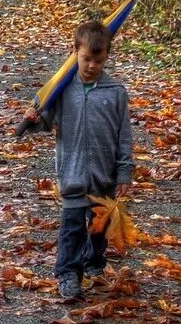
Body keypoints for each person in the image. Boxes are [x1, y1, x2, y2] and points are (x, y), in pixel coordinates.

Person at [21, 19, 136, 301]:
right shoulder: (63, 90)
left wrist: (124, 172)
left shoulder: (115, 92)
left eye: (98, 60)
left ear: (107, 56)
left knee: (100, 228)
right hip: (72, 174)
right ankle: (68, 274)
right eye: (86, 59)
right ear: (75, 53)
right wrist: (33, 120)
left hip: (104, 176)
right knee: (72, 227)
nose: (92, 66)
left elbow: (124, 136)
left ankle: (93, 261)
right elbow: (45, 122)